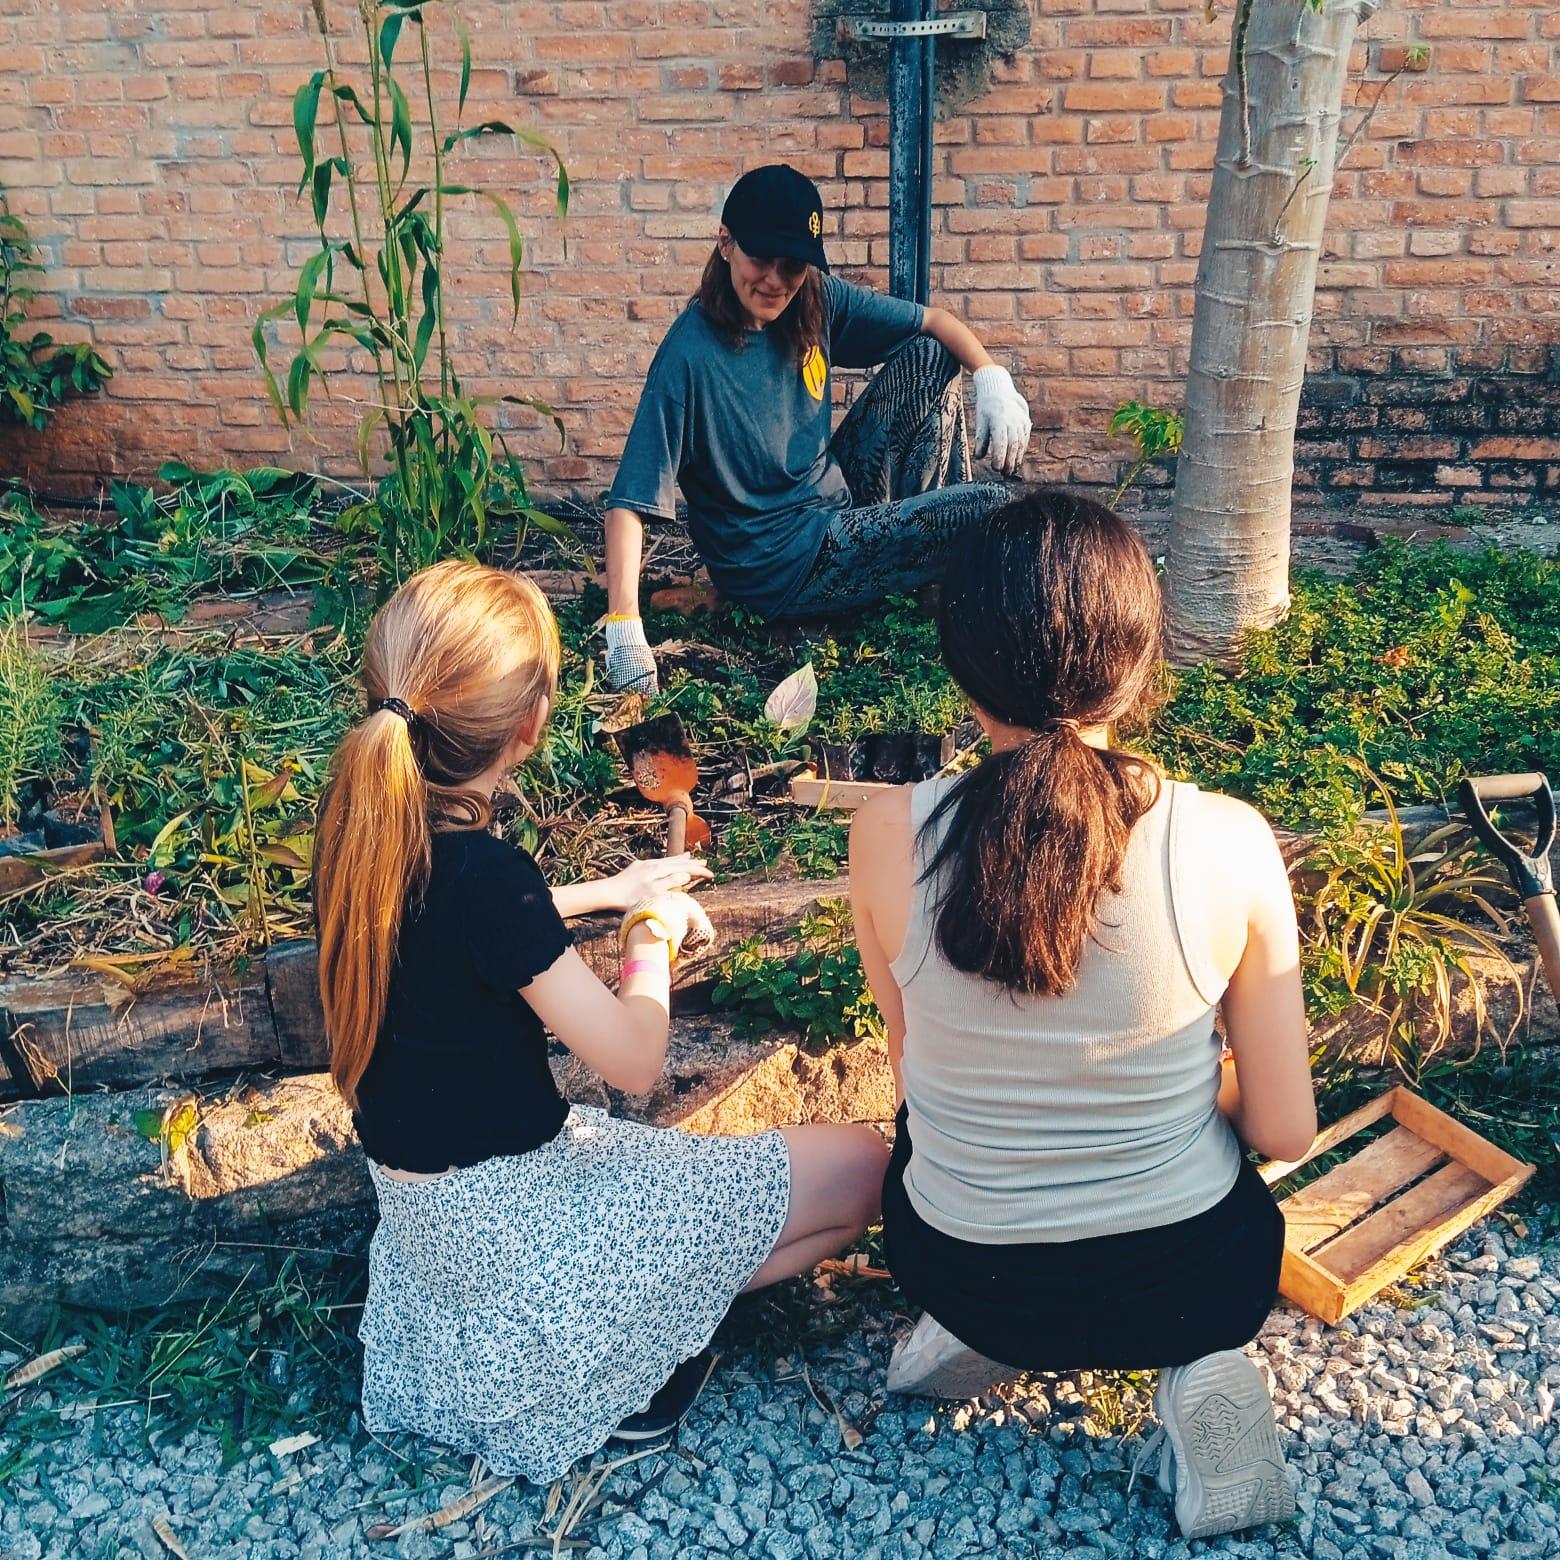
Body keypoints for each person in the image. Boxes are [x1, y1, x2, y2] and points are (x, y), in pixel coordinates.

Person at [311, 560, 887, 1481]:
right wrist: (647, 932)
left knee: (786, 1192)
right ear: (530, 725)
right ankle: (624, 1364)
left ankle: (622, 1331)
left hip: (437, 1253)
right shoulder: (489, 883)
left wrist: (598, 889)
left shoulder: (359, 833)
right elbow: (633, 1059)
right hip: (529, 1228)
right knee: (862, 1170)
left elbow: (474, 925)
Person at [848, 491, 1317, 1541]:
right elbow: (1287, 1131)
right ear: (1140, 663)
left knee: (955, 1157)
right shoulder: (1228, 840)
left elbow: (916, 1064)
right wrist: (1185, 1090)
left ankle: (988, 1334)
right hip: (1190, 1285)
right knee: (1216, 1180)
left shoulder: (887, 834)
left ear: (962, 670)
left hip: (958, 1260)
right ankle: (1199, 1373)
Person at [601, 162, 1034, 694]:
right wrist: (624, 626)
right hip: (778, 561)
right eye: (762, 259)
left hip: (834, 506)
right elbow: (629, 502)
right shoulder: (688, 359)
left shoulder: (814, 299)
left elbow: (934, 323)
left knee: (929, 356)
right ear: (725, 243)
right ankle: (942, 571)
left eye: (794, 265)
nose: (776, 281)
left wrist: (992, 377)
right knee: (987, 508)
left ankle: (928, 574)